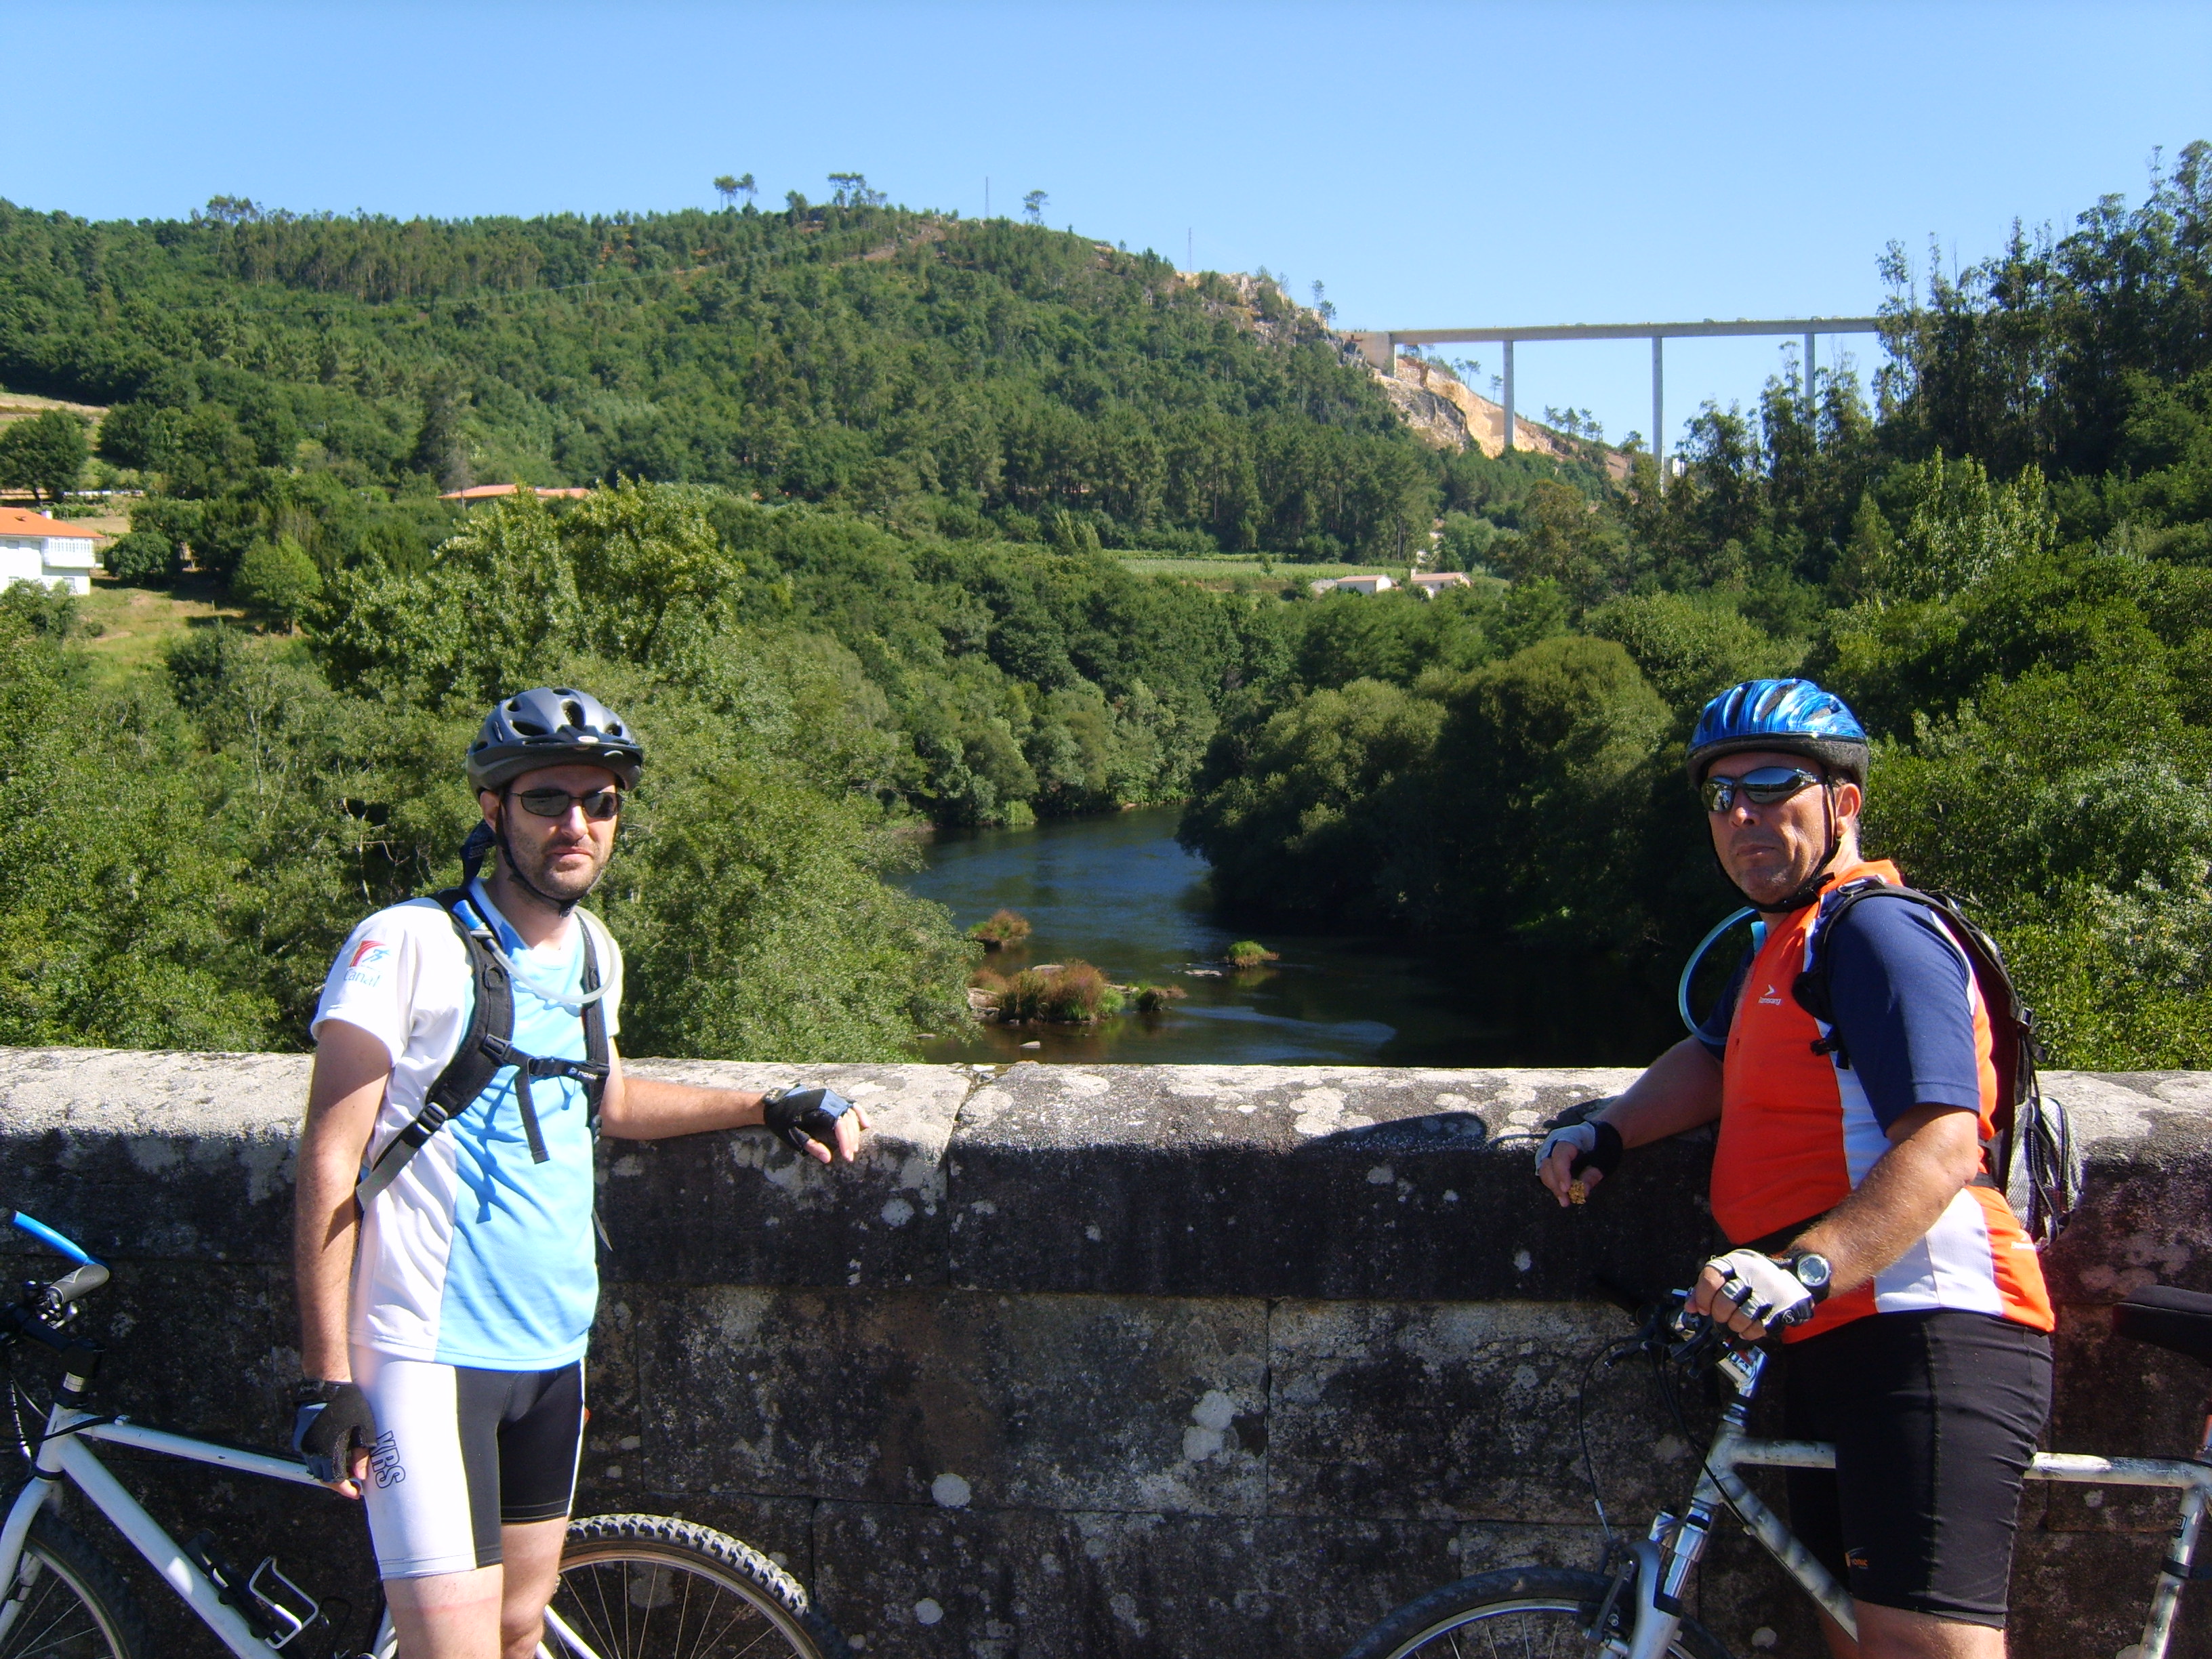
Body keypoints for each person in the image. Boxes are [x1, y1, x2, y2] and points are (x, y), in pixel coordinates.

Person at [290, 687, 870, 1659]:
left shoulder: (596, 950)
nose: (576, 824)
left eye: (600, 803)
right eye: (546, 800)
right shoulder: (408, 945)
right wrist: (327, 1377)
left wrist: (766, 1104)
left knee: (520, 1630)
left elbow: (610, 1099)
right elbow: (328, 1157)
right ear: (493, 810)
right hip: (426, 1358)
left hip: (553, 1350)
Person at [1536, 678, 2053, 1659]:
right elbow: (1713, 1061)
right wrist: (1608, 1132)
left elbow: (1947, 1141)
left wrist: (1807, 1265)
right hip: (1827, 1323)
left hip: (1925, 1320)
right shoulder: (1787, 941)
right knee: (1852, 1636)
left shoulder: (1878, 933)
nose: (1742, 816)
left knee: (1921, 1648)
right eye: (1721, 796)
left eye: (1772, 787)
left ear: (1843, 802)